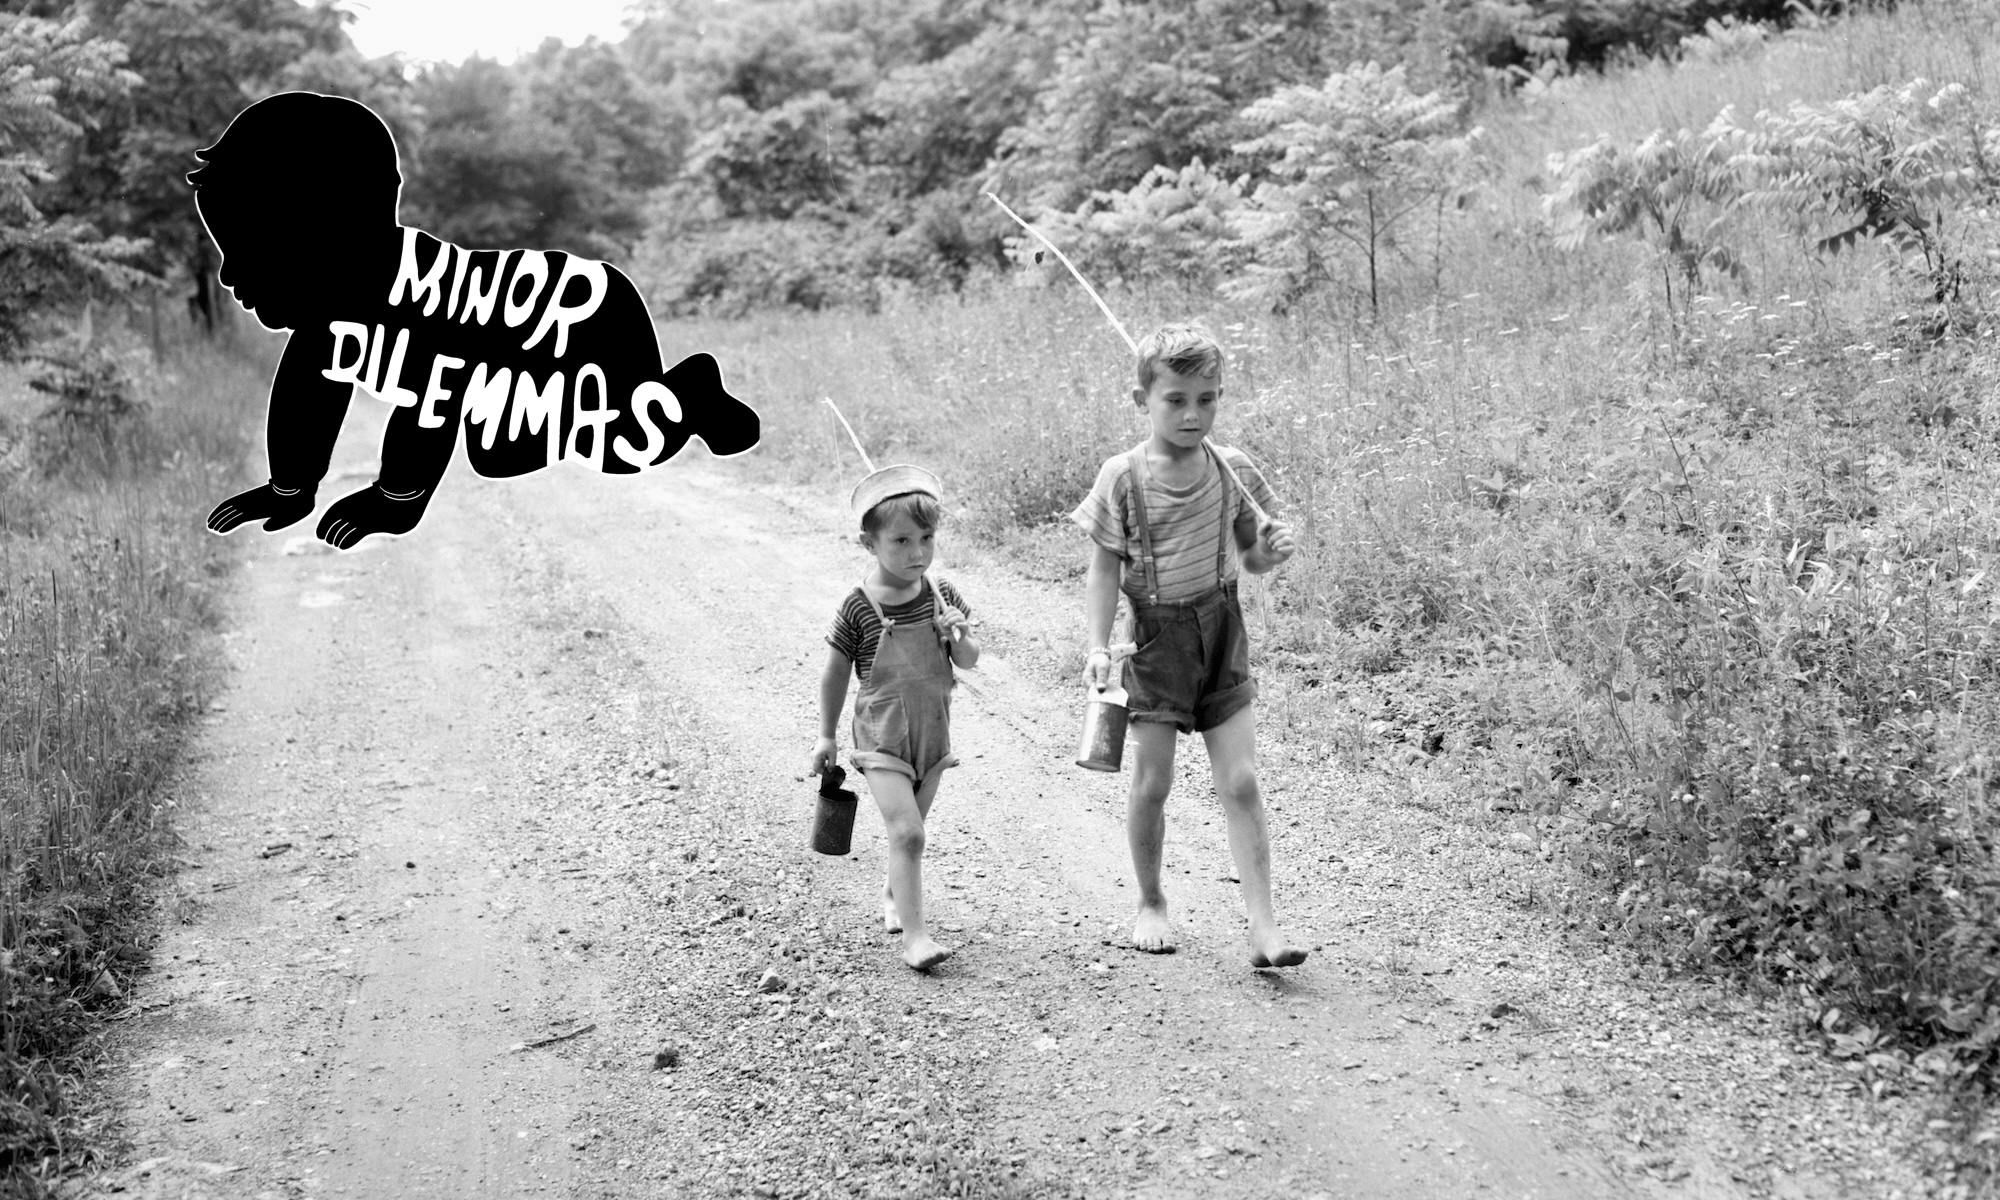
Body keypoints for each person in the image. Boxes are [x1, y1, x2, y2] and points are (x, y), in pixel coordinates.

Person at [1073, 322, 1308, 968]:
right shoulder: (1122, 477)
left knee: (1241, 780)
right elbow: (1103, 570)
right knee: (1153, 782)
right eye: (1176, 399)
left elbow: (1253, 558)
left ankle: (1264, 928)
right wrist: (1097, 644)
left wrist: (1269, 550)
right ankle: (1150, 900)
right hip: (1153, 641)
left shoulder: (1232, 471)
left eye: (1208, 398)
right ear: (1141, 399)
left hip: (1222, 630)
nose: (1193, 414)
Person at [811, 466, 980, 970]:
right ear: (869, 542)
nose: (917, 554)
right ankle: (916, 939)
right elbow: (835, 674)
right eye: (902, 541)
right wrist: (825, 735)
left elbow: (969, 660)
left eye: (926, 538)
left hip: (932, 732)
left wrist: (959, 636)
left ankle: (893, 894)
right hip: (882, 735)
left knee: (912, 829)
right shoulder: (859, 606)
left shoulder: (941, 593)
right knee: (908, 834)